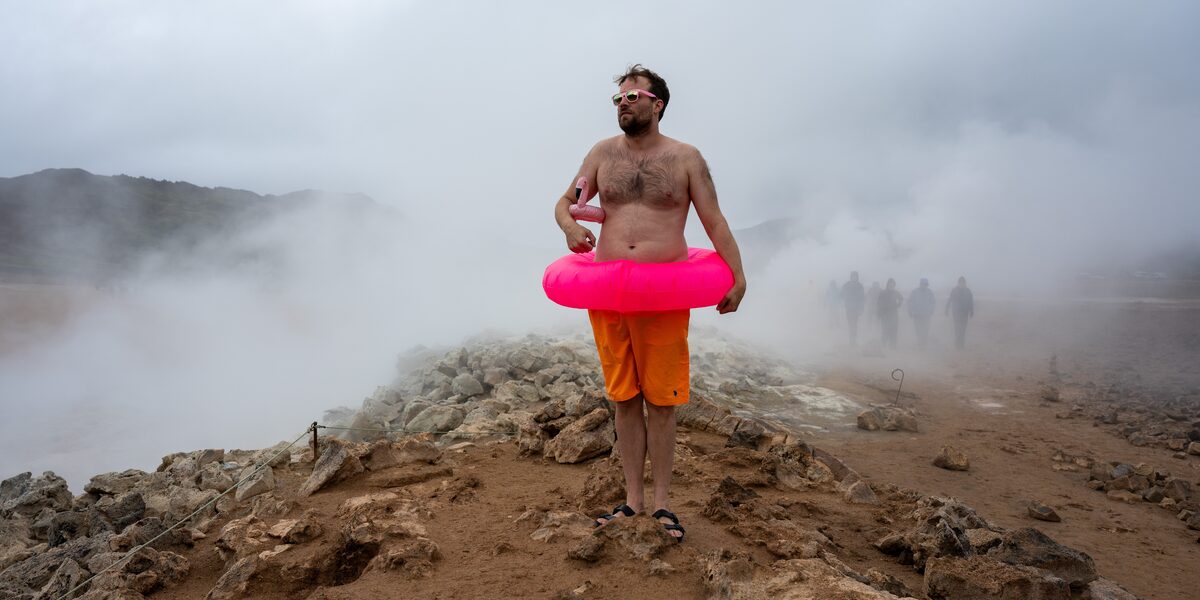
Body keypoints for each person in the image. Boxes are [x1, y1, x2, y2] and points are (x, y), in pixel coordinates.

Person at [554, 65, 746, 541]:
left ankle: (661, 507)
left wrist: (738, 276)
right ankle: (631, 501)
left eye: (633, 96)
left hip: (663, 294)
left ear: (656, 103)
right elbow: (565, 201)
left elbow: (714, 221)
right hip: (610, 294)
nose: (623, 103)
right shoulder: (602, 154)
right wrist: (572, 228)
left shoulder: (685, 158)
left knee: (661, 400)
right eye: (618, 98)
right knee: (623, 396)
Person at [945, 276, 975, 349]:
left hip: (965, 313)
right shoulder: (954, 290)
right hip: (956, 313)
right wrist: (946, 308)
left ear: (965, 283)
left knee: (963, 329)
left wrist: (971, 310)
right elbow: (950, 299)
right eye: (960, 282)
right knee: (957, 328)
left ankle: (961, 344)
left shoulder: (968, 291)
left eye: (963, 282)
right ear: (958, 283)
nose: (962, 284)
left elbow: (970, 301)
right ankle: (957, 344)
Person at [907, 278, 936, 349]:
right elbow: (910, 302)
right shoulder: (914, 292)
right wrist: (910, 311)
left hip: (926, 315)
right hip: (917, 315)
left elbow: (933, 302)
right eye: (924, 284)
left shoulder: (929, 292)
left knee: (926, 330)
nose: (925, 286)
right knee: (918, 330)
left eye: (926, 284)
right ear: (921, 284)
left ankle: (924, 345)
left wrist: (931, 310)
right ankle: (920, 345)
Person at [877, 278, 903, 350]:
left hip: (893, 314)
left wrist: (899, 304)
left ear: (894, 285)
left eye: (892, 285)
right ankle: (884, 344)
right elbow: (879, 303)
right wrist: (879, 313)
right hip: (885, 314)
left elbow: (901, 298)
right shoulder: (883, 293)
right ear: (887, 285)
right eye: (890, 284)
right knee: (885, 330)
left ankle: (892, 345)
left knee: (894, 330)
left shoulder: (896, 292)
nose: (891, 286)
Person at [840, 272, 865, 346]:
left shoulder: (860, 286)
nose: (854, 278)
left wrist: (861, 308)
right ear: (851, 277)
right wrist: (846, 298)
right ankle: (852, 340)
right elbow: (841, 294)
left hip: (856, 308)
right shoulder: (846, 285)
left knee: (854, 324)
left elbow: (862, 298)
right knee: (851, 324)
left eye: (855, 276)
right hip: (849, 307)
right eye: (853, 276)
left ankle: (853, 340)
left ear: (857, 277)